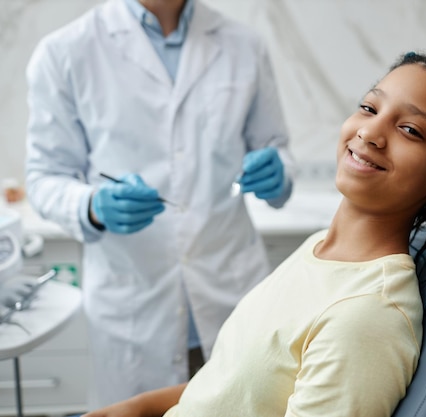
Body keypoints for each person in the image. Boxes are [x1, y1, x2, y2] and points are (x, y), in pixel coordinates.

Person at [82, 51, 426, 417]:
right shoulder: (320, 249)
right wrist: (135, 408)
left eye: (410, 130)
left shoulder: (367, 317)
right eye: (369, 108)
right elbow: (228, 388)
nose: (369, 133)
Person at [24, 0, 294, 408]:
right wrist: (93, 205)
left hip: (230, 292)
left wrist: (279, 173)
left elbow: (276, 149)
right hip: (133, 307)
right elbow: (44, 176)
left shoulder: (244, 44)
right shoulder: (65, 51)